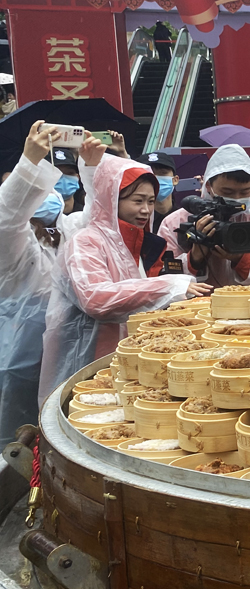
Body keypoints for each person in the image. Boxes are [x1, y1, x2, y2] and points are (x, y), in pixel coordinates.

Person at [39, 152, 209, 398]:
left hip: (125, 357)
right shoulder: (86, 241)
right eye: (137, 200)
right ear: (111, 199)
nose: (146, 210)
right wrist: (167, 286)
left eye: (150, 202)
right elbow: (96, 299)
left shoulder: (135, 242)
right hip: (86, 358)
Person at [0, 122, 66, 442]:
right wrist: (27, 164)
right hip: (16, 359)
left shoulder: (63, 232)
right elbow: (8, 215)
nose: (47, 195)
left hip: (56, 353)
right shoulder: (12, 237)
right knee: (15, 443)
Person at [158, 145, 250, 286]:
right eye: (227, 192)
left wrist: (242, 259)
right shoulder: (176, 222)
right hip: (195, 307)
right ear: (208, 185)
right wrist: (195, 257)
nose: (237, 198)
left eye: (245, 192)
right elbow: (162, 280)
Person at [137, 151, 177, 234]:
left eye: (163, 173)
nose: (156, 178)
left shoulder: (184, 217)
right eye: (149, 173)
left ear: (175, 180)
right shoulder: (136, 220)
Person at [51, 148, 81, 214]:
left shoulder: (86, 215)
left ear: (77, 178)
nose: (63, 178)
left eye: (69, 173)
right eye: (56, 173)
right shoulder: (31, 217)